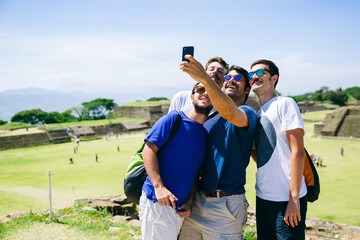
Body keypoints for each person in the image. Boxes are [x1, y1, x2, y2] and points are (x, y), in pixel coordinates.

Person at [179, 57, 257, 239]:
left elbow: (231, 113)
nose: (230, 80)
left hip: (226, 205)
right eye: (228, 77)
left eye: (237, 79)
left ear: (247, 90)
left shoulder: (247, 112)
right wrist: (190, 200)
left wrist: (205, 78)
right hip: (197, 202)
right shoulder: (211, 119)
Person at [139, 82, 213, 240]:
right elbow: (148, 150)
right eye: (201, 89)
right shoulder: (175, 119)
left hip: (179, 207)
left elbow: (194, 173)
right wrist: (159, 188)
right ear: (192, 97)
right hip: (158, 202)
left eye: (211, 92)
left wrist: (190, 201)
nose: (206, 93)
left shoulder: (204, 136)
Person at [249, 59, 307, 239]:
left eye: (260, 73)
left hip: (286, 198)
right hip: (263, 195)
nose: (254, 77)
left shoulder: (285, 103)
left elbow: (298, 151)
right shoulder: (258, 113)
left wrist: (294, 199)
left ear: (274, 78)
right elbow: (263, 155)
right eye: (251, 75)